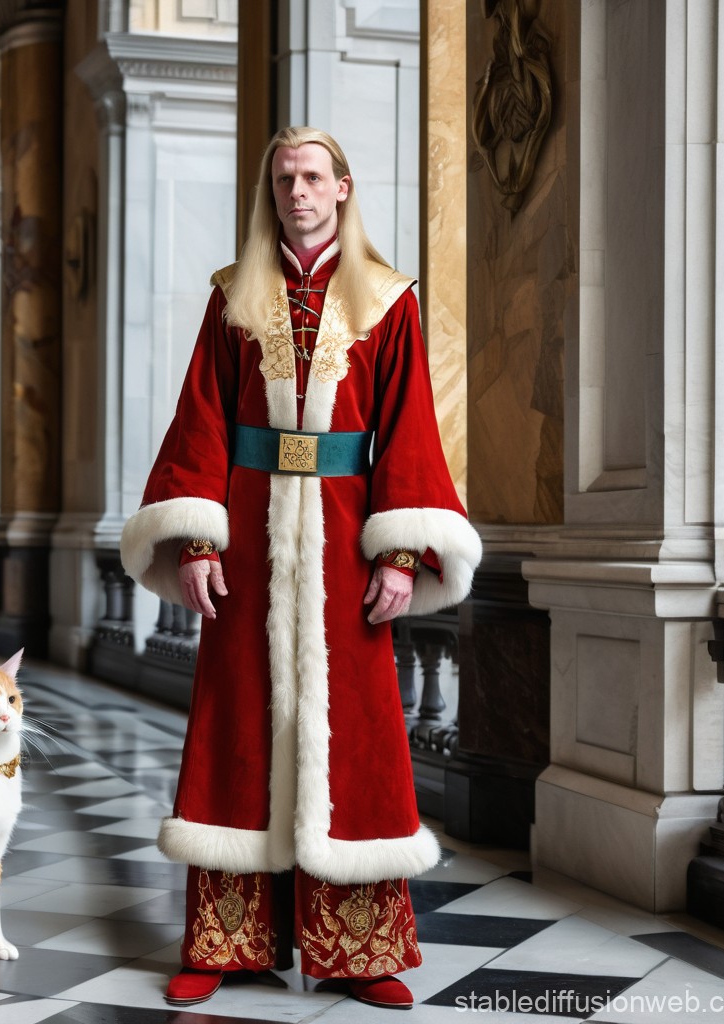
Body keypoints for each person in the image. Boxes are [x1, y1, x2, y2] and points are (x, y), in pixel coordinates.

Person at [121, 126, 481, 1010]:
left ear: (342, 187)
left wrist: (400, 553)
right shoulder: (233, 295)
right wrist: (198, 540)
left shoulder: (388, 299)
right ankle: (225, 943)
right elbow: (202, 419)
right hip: (247, 540)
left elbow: (409, 431)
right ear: (270, 190)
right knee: (236, 726)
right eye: (285, 179)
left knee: (355, 735)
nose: (299, 192)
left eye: (313, 177)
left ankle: (360, 953)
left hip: (345, 542)